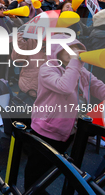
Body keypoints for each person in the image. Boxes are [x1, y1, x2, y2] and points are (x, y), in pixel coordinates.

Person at [24, 34, 105, 193]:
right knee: (35, 169)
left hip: (68, 131)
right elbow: (65, 87)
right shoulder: (47, 68)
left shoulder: (80, 71)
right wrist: (75, 62)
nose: (74, 52)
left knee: (51, 167)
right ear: (56, 51)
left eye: (77, 48)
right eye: (68, 48)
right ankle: (30, 191)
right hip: (46, 129)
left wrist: (77, 65)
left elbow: (98, 87)